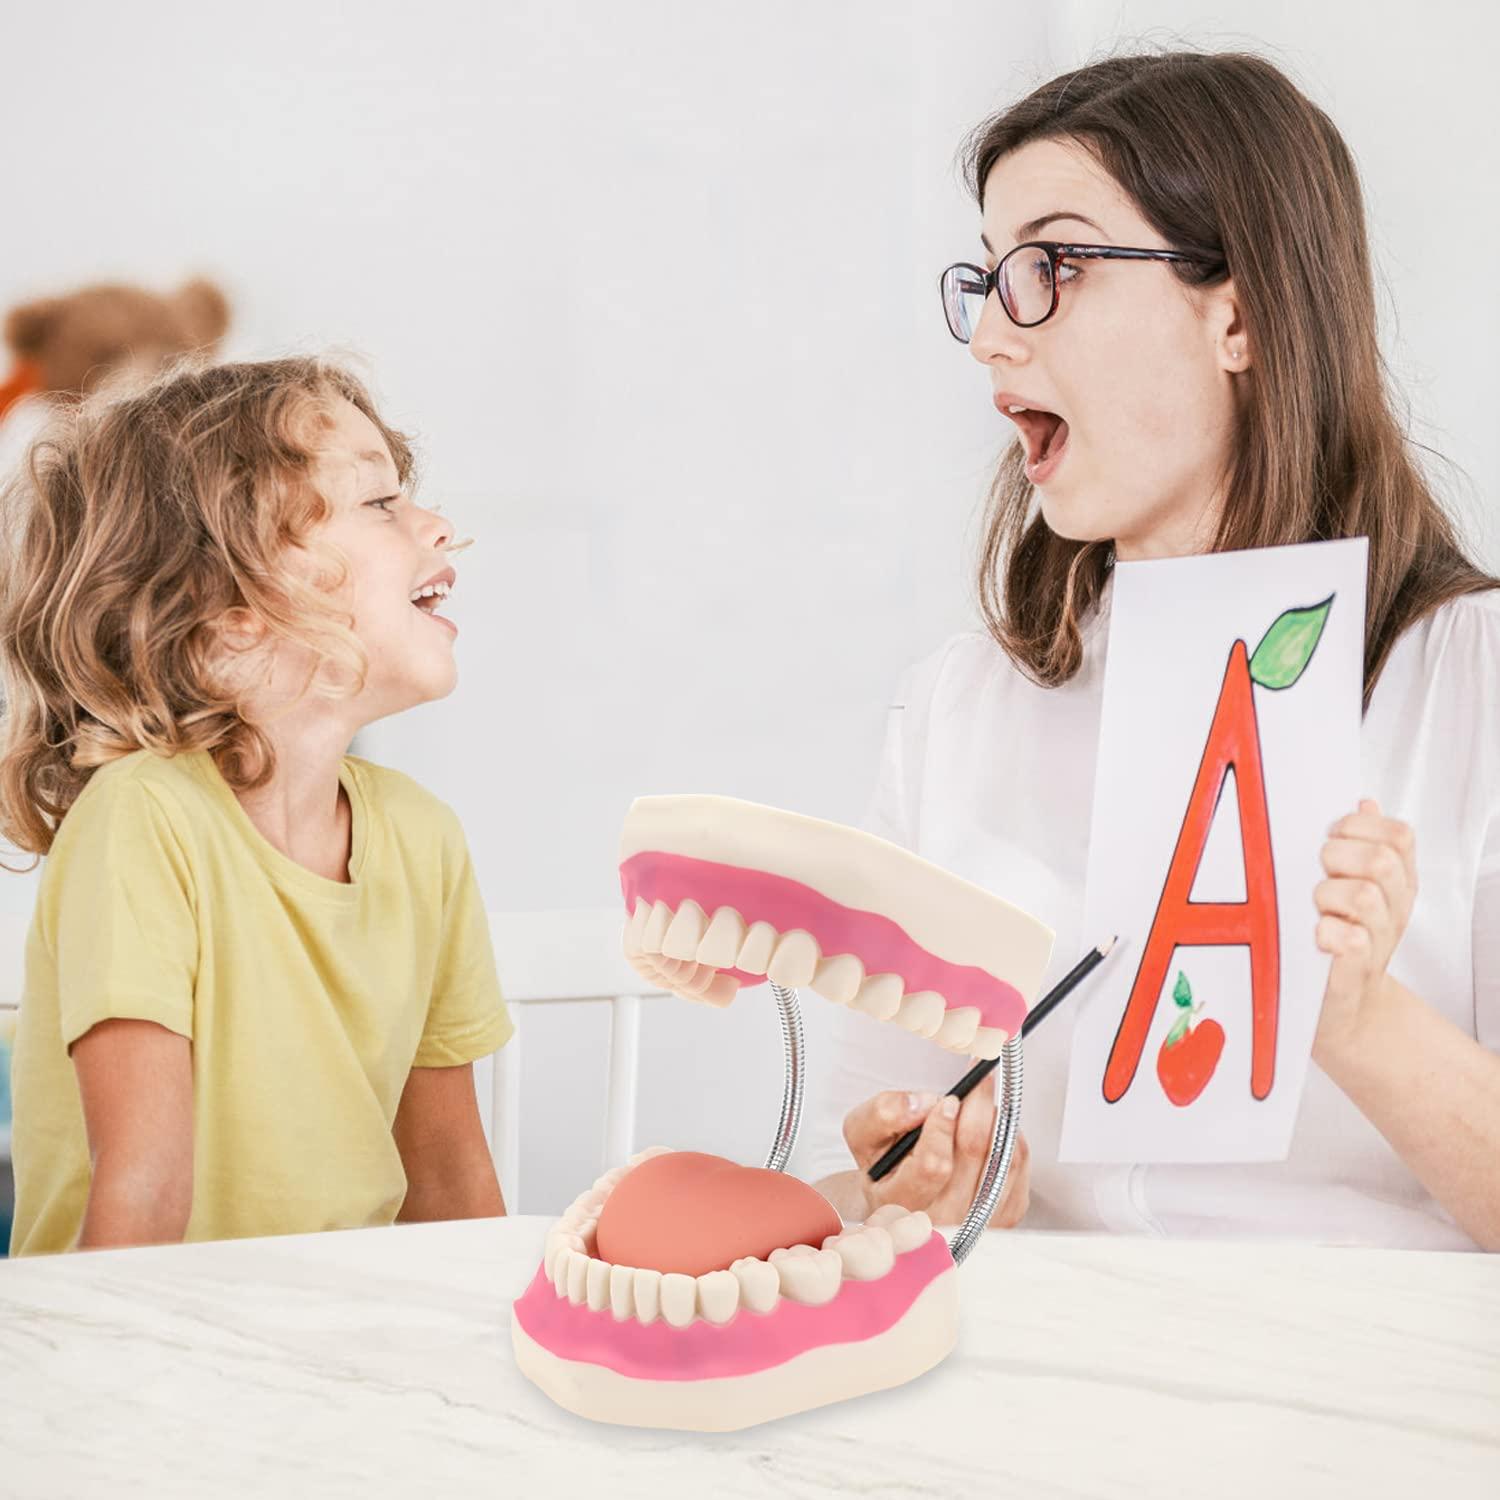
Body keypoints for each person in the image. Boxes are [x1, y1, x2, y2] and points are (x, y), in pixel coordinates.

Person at [805, 50, 1500, 1252]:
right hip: (1052, 1376)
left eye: (1056, 268)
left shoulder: (1473, 681)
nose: (990, 341)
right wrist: (919, 1193)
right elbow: (845, 1180)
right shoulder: (960, 708)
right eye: (990, 279)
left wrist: (1358, 1019)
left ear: (1239, 313)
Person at [2, 356, 513, 1255]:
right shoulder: (145, 819)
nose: (437, 528)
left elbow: (452, 1185)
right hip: (159, 1351)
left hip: (339, 1349)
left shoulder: (421, 836)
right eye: (379, 504)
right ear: (228, 605)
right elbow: (144, 1194)